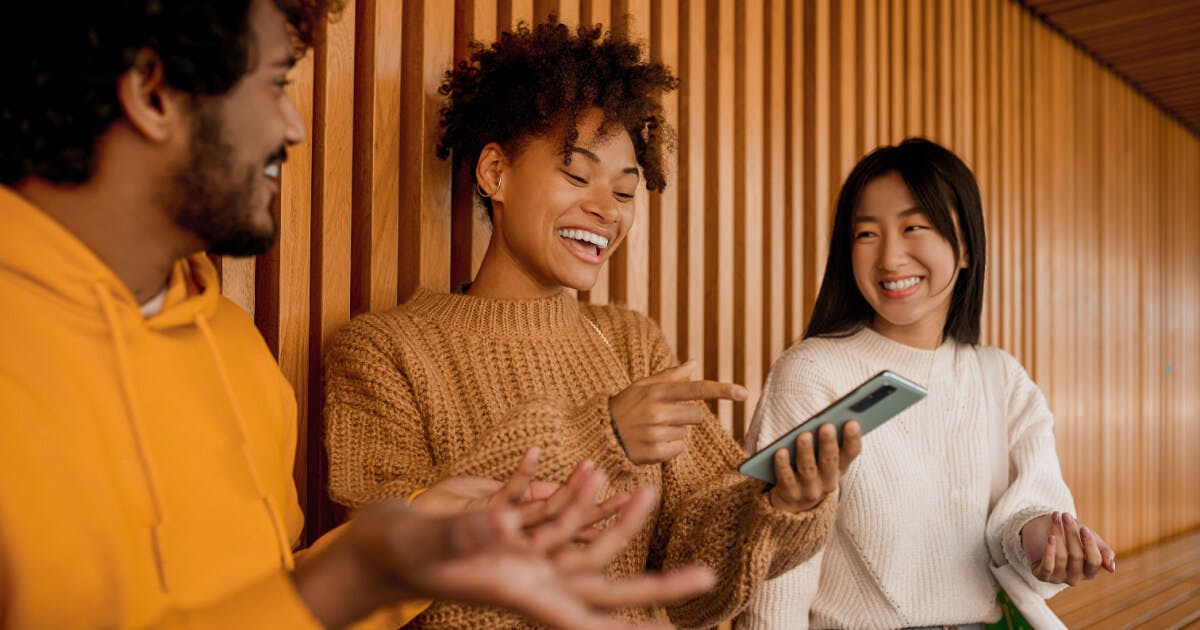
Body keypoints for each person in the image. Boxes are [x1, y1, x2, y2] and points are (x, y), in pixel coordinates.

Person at [0, 2, 715, 628]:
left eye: (625, 189)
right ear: (152, 93)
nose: (295, 124)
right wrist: (353, 575)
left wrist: (401, 550)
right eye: (277, 83)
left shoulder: (235, 350)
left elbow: (272, 599)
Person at [324, 19, 860, 629]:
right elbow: (389, 582)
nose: (605, 210)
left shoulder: (631, 342)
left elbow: (692, 586)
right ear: (495, 172)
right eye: (577, 176)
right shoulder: (382, 351)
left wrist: (780, 503)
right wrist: (599, 439)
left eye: (626, 193)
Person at [739, 138, 1116, 629]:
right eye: (866, 234)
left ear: (964, 248)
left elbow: (1027, 509)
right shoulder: (813, 371)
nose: (891, 258)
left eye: (914, 227)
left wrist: (1048, 538)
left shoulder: (999, 377)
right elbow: (778, 564)